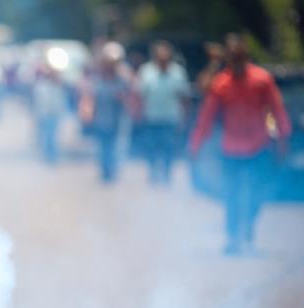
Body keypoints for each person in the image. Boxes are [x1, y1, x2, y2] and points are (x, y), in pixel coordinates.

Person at [189, 34, 291, 255]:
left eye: (239, 60)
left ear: (245, 58)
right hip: (231, 148)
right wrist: (196, 144)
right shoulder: (221, 84)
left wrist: (283, 139)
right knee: (232, 194)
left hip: (258, 145)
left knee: (257, 192)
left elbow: (277, 110)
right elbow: (206, 117)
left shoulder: (262, 80)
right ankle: (233, 235)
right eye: (231, 60)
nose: (235, 65)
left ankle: (248, 227)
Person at [136, 40, 191, 185]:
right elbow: (140, 95)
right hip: (151, 118)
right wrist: (138, 114)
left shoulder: (178, 72)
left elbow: (184, 97)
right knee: (151, 148)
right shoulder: (146, 71)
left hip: (171, 118)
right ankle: (153, 174)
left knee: (169, 149)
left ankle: (167, 175)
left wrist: (184, 118)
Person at [81, 41, 131, 183]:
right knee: (102, 146)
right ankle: (104, 170)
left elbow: (131, 95)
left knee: (116, 146)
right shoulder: (97, 78)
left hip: (118, 119)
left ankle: (113, 170)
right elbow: (89, 96)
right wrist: (87, 114)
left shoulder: (123, 78)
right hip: (101, 118)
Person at [31, 62, 67, 164]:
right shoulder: (42, 86)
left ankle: (51, 155)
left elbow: (61, 101)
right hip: (45, 114)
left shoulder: (58, 87)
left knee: (52, 136)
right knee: (48, 135)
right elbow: (39, 101)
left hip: (54, 114)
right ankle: (49, 155)